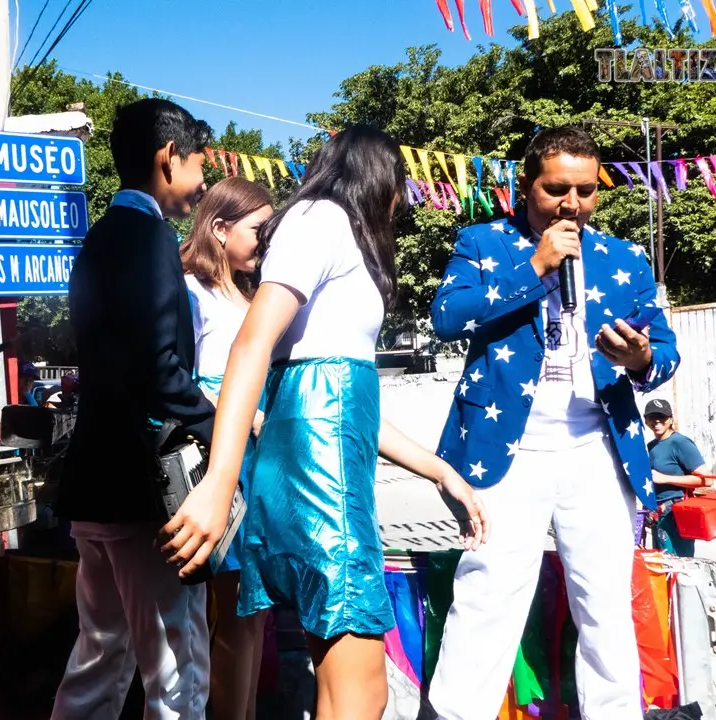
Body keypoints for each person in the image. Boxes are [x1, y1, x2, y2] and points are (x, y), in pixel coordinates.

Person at [162, 126, 488, 719]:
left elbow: (344, 397)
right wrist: (217, 485)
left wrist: (441, 472)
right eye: (397, 184)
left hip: (324, 453)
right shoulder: (322, 219)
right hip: (320, 472)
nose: (400, 201)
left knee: (343, 684)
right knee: (359, 689)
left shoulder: (328, 231)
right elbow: (252, 348)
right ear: (376, 175)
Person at [425, 126, 681, 720]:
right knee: (489, 596)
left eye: (587, 191)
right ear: (524, 184)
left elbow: (665, 350)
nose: (573, 204)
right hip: (507, 451)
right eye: (557, 188)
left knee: (605, 605)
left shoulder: (624, 258)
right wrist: (534, 266)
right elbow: (446, 316)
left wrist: (641, 358)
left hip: (599, 449)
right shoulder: (483, 242)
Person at [51, 98, 216, 719]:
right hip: (141, 488)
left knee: (100, 660)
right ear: (168, 157)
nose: (203, 184)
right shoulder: (148, 236)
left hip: (94, 482)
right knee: (178, 674)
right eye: (200, 164)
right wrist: (219, 425)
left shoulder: (98, 235)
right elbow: (159, 369)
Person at [180, 176, 274, 720]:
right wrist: (237, 411)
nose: (265, 242)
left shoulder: (250, 293)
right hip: (220, 461)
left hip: (260, 459)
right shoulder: (191, 291)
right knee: (234, 608)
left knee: (254, 610)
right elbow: (182, 379)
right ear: (219, 228)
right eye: (258, 229)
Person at [644, 398, 716, 557]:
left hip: (676, 513)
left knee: (679, 566)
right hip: (658, 513)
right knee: (662, 566)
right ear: (646, 420)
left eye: (661, 417)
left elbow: (707, 479)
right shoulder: (651, 446)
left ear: (670, 419)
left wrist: (664, 478)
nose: (657, 421)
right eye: (652, 417)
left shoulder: (680, 443)